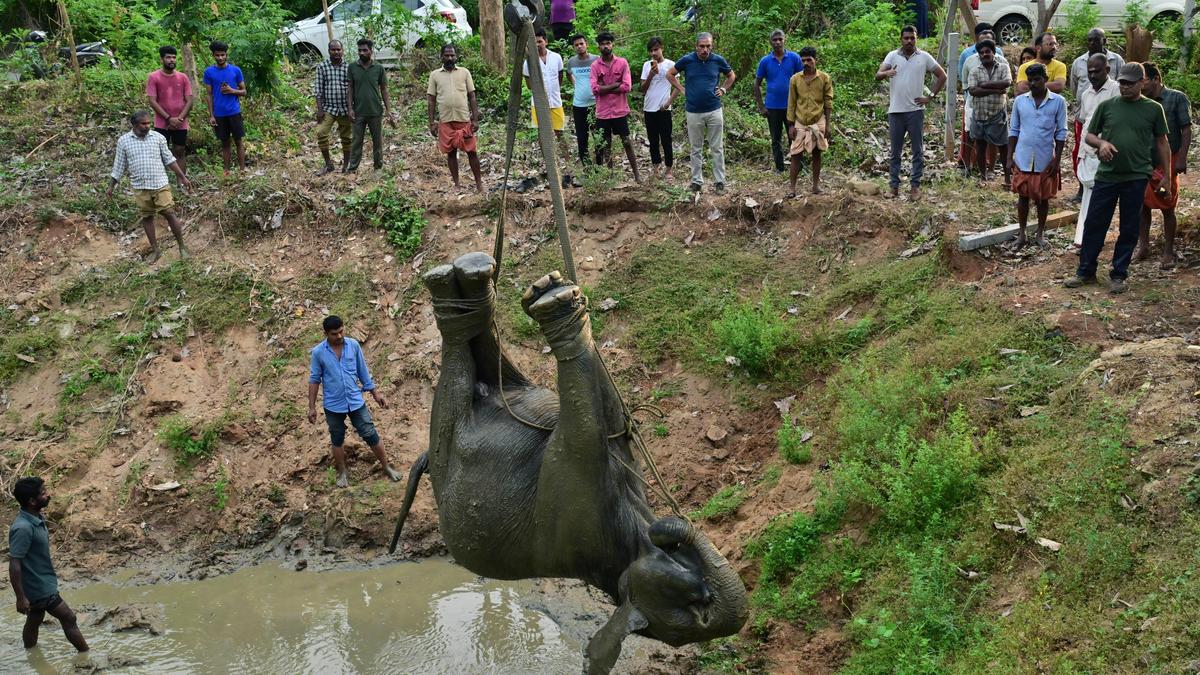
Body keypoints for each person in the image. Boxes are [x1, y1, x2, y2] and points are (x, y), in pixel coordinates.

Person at [1068, 63, 1171, 294]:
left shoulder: (1153, 109)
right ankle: (1085, 271)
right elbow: (1090, 135)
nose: (1124, 87)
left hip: (1136, 175)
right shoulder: (1107, 106)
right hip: (1107, 175)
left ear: (1142, 82)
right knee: (1095, 223)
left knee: (1129, 226)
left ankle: (1119, 274)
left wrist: (1166, 175)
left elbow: (1162, 142)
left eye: (1130, 83)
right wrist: (1102, 143)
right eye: (1122, 82)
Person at [307, 315, 402, 487]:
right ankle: (342, 472)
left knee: (370, 433)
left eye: (342, 331)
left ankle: (386, 466)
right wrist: (311, 407)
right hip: (333, 405)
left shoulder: (353, 346)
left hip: (355, 401)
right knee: (337, 438)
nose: (340, 336)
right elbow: (314, 380)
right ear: (326, 333)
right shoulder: (319, 353)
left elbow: (363, 372)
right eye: (335, 334)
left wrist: (376, 393)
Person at [9, 477, 88, 653]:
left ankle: (31, 653)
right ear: (32, 501)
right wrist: (20, 598)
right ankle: (86, 655)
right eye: (43, 493)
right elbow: (14, 563)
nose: (48, 494)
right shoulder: (22, 528)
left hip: (41, 582)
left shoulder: (36, 518)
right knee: (69, 617)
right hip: (39, 588)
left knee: (35, 617)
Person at [108, 110, 194, 262]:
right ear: (134, 124)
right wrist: (111, 186)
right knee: (147, 217)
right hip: (140, 186)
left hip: (159, 183)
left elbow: (170, 159)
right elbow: (119, 165)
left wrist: (182, 177)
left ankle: (182, 246)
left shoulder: (158, 138)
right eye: (143, 124)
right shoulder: (124, 141)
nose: (147, 126)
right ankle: (155, 250)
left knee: (169, 212)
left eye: (149, 123)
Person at [875, 25, 946, 200]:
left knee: (917, 150)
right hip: (896, 111)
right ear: (901, 39)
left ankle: (915, 187)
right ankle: (893, 187)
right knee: (895, 151)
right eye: (906, 38)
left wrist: (929, 96)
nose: (909, 41)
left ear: (916, 38)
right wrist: (887, 73)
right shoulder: (893, 56)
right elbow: (878, 74)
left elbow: (942, 76)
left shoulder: (924, 57)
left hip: (915, 111)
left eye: (912, 38)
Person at [1136, 62, 1192, 267]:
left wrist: (1182, 158)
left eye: (1143, 81)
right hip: (1144, 162)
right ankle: (1143, 246)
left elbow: (1186, 129)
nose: (1140, 86)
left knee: (1167, 205)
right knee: (1143, 205)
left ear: (1156, 79)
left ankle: (1168, 251)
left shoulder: (1176, 98)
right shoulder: (1140, 101)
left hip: (1168, 160)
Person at [667, 32, 736, 194]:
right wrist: (681, 89)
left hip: (714, 110)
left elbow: (731, 75)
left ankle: (719, 182)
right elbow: (669, 74)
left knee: (716, 147)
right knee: (696, 148)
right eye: (702, 46)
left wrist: (724, 89)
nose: (705, 49)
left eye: (708, 46)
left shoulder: (718, 60)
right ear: (696, 46)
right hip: (693, 111)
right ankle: (696, 181)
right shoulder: (687, 60)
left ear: (712, 46)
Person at [1007, 64, 1066, 249]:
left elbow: (1061, 132)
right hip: (1023, 157)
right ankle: (1022, 233)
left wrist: (1056, 160)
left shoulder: (1058, 102)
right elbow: (1014, 130)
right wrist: (1009, 157)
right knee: (1022, 198)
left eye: (1037, 79)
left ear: (1045, 79)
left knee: (1042, 198)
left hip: (1045, 158)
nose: (1033, 83)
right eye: (1030, 80)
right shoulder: (1020, 101)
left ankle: (1040, 234)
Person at [1068, 28, 1124, 199]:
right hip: (1086, 114)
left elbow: (1124, 85)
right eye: (1089, 40)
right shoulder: (1079, 62)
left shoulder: (1117, 61)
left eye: (1096, 40)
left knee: (1105, 154)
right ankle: (1082, 187)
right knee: (1082, 151)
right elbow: (1074, 88)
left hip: (1110, 123)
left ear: (1104, 41)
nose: (1092, 43)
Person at [1072, 54, 1120, 247]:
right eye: (1089, 71)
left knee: (1097, 198)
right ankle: (1084, 238)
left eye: (1097, 71)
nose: (1092, 75)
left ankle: (1087, 239)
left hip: (1106, 153)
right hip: (1087, 152)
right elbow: (1085, 123)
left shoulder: (1116, 90)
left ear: (1107, 70)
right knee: (1088, 195)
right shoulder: (1086, 94)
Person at [427, 44, 484, 192]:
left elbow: (472, 96)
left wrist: (475, 119)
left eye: (452, 55)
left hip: (464, 120)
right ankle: (457, 185)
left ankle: (479, 184)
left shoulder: (464, 72)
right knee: (451, 153)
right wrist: (432, 122)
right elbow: (431, 99)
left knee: (472, 152)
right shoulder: (435, 75)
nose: (450, 58)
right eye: (447, 55)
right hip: (446, 121)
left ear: (456, 56)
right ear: (441, 57)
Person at [590, 31, 640, 183]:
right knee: (606, 144)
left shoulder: (622, 63)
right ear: (598, 47)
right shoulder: (594, 66)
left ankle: (637, 175)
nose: (606, 46)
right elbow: (594, 89)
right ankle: (611, 176)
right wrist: (615, 85)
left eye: (608, 43)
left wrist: (605, 87)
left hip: (620, 111)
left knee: (627, 142)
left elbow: (627, 87)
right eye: (603, 44)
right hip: (603, 113)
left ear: (612, 45)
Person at [523, 29, 572, 186]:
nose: (537, 44)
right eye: (534, 42)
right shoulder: (528, 61)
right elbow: (529, 84)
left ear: (546, 41)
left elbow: (560, 77)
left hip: (555, 101)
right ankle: (549, 164)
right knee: (542, 134)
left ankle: (568, 164)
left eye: (540, 41)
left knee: (560, 132)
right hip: (538, 103)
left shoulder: (556, 57)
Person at [754, 30, 803, 173]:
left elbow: (802, 80)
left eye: (780, 39)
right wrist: (761, 106)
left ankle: (798, 167)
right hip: (773, 107)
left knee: (794, 137)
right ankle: (780, 168)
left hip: (791, 106)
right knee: (776, 139)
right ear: (770, 41)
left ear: (784, 40)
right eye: (774, 40)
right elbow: (756, 84)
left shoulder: (794, 58)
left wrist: (802, 103)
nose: (777, 42)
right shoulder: (765, 61)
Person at [785, 46, 832, 197]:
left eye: (809, 60)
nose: (806, 63)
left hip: (818, 120)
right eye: (803, 60)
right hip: (800, 120)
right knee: (795, 154)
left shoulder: (824, 78)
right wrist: (791, 125)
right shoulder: (795, 79)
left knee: (817, 152)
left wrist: (828, 125)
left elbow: (828, 102)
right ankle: (792, 188)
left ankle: (816, 186)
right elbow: (791, 102)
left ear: (815, 60)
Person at [958, 24, 1004, 175]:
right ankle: (969, 167)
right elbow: (966, 83)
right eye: (982, 41)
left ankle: (991, 168)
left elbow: (1005, 84)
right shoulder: (968, 57)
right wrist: (991, 89)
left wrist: (983, 88)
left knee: (994, 139)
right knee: (972, 136)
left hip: (996, 106)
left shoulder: (1001, 59)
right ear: (977, 41)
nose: (985, 44)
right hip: (973, 104)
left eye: (989, 41)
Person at [967, 39, 1011, 186]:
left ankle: (1007, 178)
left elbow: (1007, 83)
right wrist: (995, 90)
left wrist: (984, 85)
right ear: (979, 55)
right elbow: (973, 91)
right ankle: (983, 177)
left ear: (994, 52)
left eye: (988, 52)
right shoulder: (974, 71)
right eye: (982, 53)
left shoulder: (1003, 67)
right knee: (980, 146)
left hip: (997, 114)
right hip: (979, 114)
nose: (985, 54)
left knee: (1003, 146)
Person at [346, 38, 393, 173]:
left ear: (371, 51)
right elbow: (350, 88)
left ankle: (378, 168)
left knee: (377, 141)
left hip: (375, 111)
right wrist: (350, 109)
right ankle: (353, 168)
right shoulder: (352, 67)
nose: (362, 53)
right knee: (356, 142)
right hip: (358, 111)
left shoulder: (378, 68)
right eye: (359, 50)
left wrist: (388, 110)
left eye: (365, 50)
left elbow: (384, 89)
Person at [145, 45, 193, 176]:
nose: (171, 60)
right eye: (168, 57)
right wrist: (168, 118)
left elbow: (189, 100)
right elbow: (152, 101)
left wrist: (179, 119)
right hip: (162, 123)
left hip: (181, 122)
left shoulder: (183, 77)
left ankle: (182, 182)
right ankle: (162, 183)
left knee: (180, 150)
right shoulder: (154, 77)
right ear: (162, 59)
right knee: (160, 152)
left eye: (173, 57)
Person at [640, 36, 682, 180]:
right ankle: (656, 167)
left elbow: (678, 87)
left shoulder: (671, 64)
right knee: (653, 140)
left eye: (656, 49)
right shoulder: (647, 65)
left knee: (666, 140)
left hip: (664, 108)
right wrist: (651, 74)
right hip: (649, 108)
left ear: (662, 48)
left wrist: (669, 102)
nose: (654, 53)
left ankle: (669, 169)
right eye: (651, 50)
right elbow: (643, 89)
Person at [203, 40, 246, 173]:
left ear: (226, 55)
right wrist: (211, 115)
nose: (220, 58)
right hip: (219, 114)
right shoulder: (209, 72)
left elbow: (244, 91)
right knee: (225, 143)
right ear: (213, 56)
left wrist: (232, 91)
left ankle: (242, 170)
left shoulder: (235, 70)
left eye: (223, 55)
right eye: (217, 55)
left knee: (238, 141)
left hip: (234, 111)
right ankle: (226, 171)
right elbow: (209, 95)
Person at [314, 40, 352, 176]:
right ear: (329, 51)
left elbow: (353, 89)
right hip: (328, 108)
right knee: (321, 133)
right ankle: (328, 164)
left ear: (342, 50)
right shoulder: (322, 67)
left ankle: (346, 165)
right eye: (333, 50)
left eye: (338, 50)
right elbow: (318, 89)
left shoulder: (349, 67)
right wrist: (320, 110)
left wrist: (352, 109)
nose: (336, 52)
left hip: (345, 108)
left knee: (347, 137)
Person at [566, 35, 599, 173]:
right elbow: (568, 74)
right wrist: (576, 85)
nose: (579, 46)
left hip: (595, 104)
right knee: (582, 137)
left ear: (587, 44)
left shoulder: (596, 59)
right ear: (573, 48)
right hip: (579, 105)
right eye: (576, 45)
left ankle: (600, 166)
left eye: (581, 44)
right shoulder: (572, 62)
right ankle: (587, 169)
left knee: (598, 135)